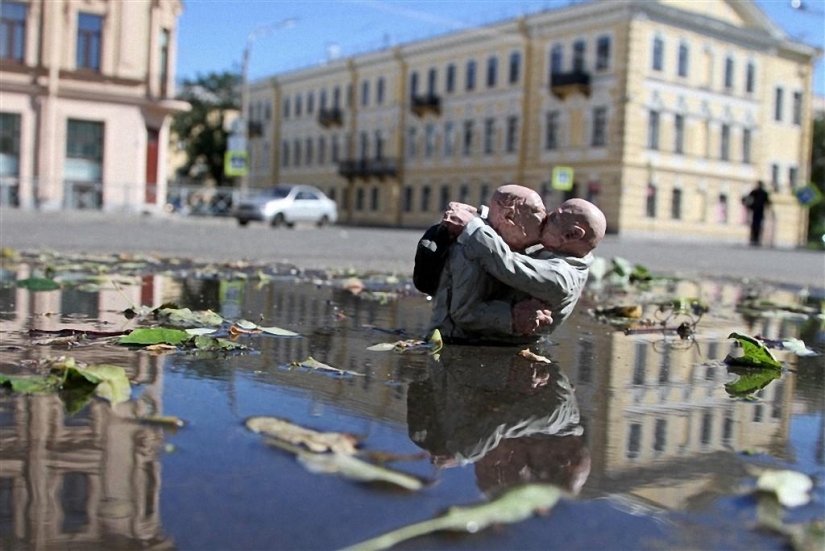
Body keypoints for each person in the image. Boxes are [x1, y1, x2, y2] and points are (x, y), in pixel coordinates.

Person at [437, 196, 606, 339]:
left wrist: (472, 227)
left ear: (573, 234)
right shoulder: (566, 254)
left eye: (556, 217)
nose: (547, 217)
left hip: (495, 340)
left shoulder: (560, 276)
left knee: (462, 313)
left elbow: (509, 264)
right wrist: (482, 215)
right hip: (493, 328)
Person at [425, 184, 555, 344]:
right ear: (509, 216)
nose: (545, 217)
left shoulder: (507, 244)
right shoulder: (471, 252)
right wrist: (513, 317)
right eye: (537, 211)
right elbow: (463, 313)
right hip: (456, 343)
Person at [743, 180, 771, 246]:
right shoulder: (761, 193)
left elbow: (747, 199)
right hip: (758, 211)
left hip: (756, 210)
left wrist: (748, 205)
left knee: (755, 225)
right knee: (757, 225)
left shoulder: (756, 192)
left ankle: (754, 238)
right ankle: (755, 238)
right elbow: (768, 202)